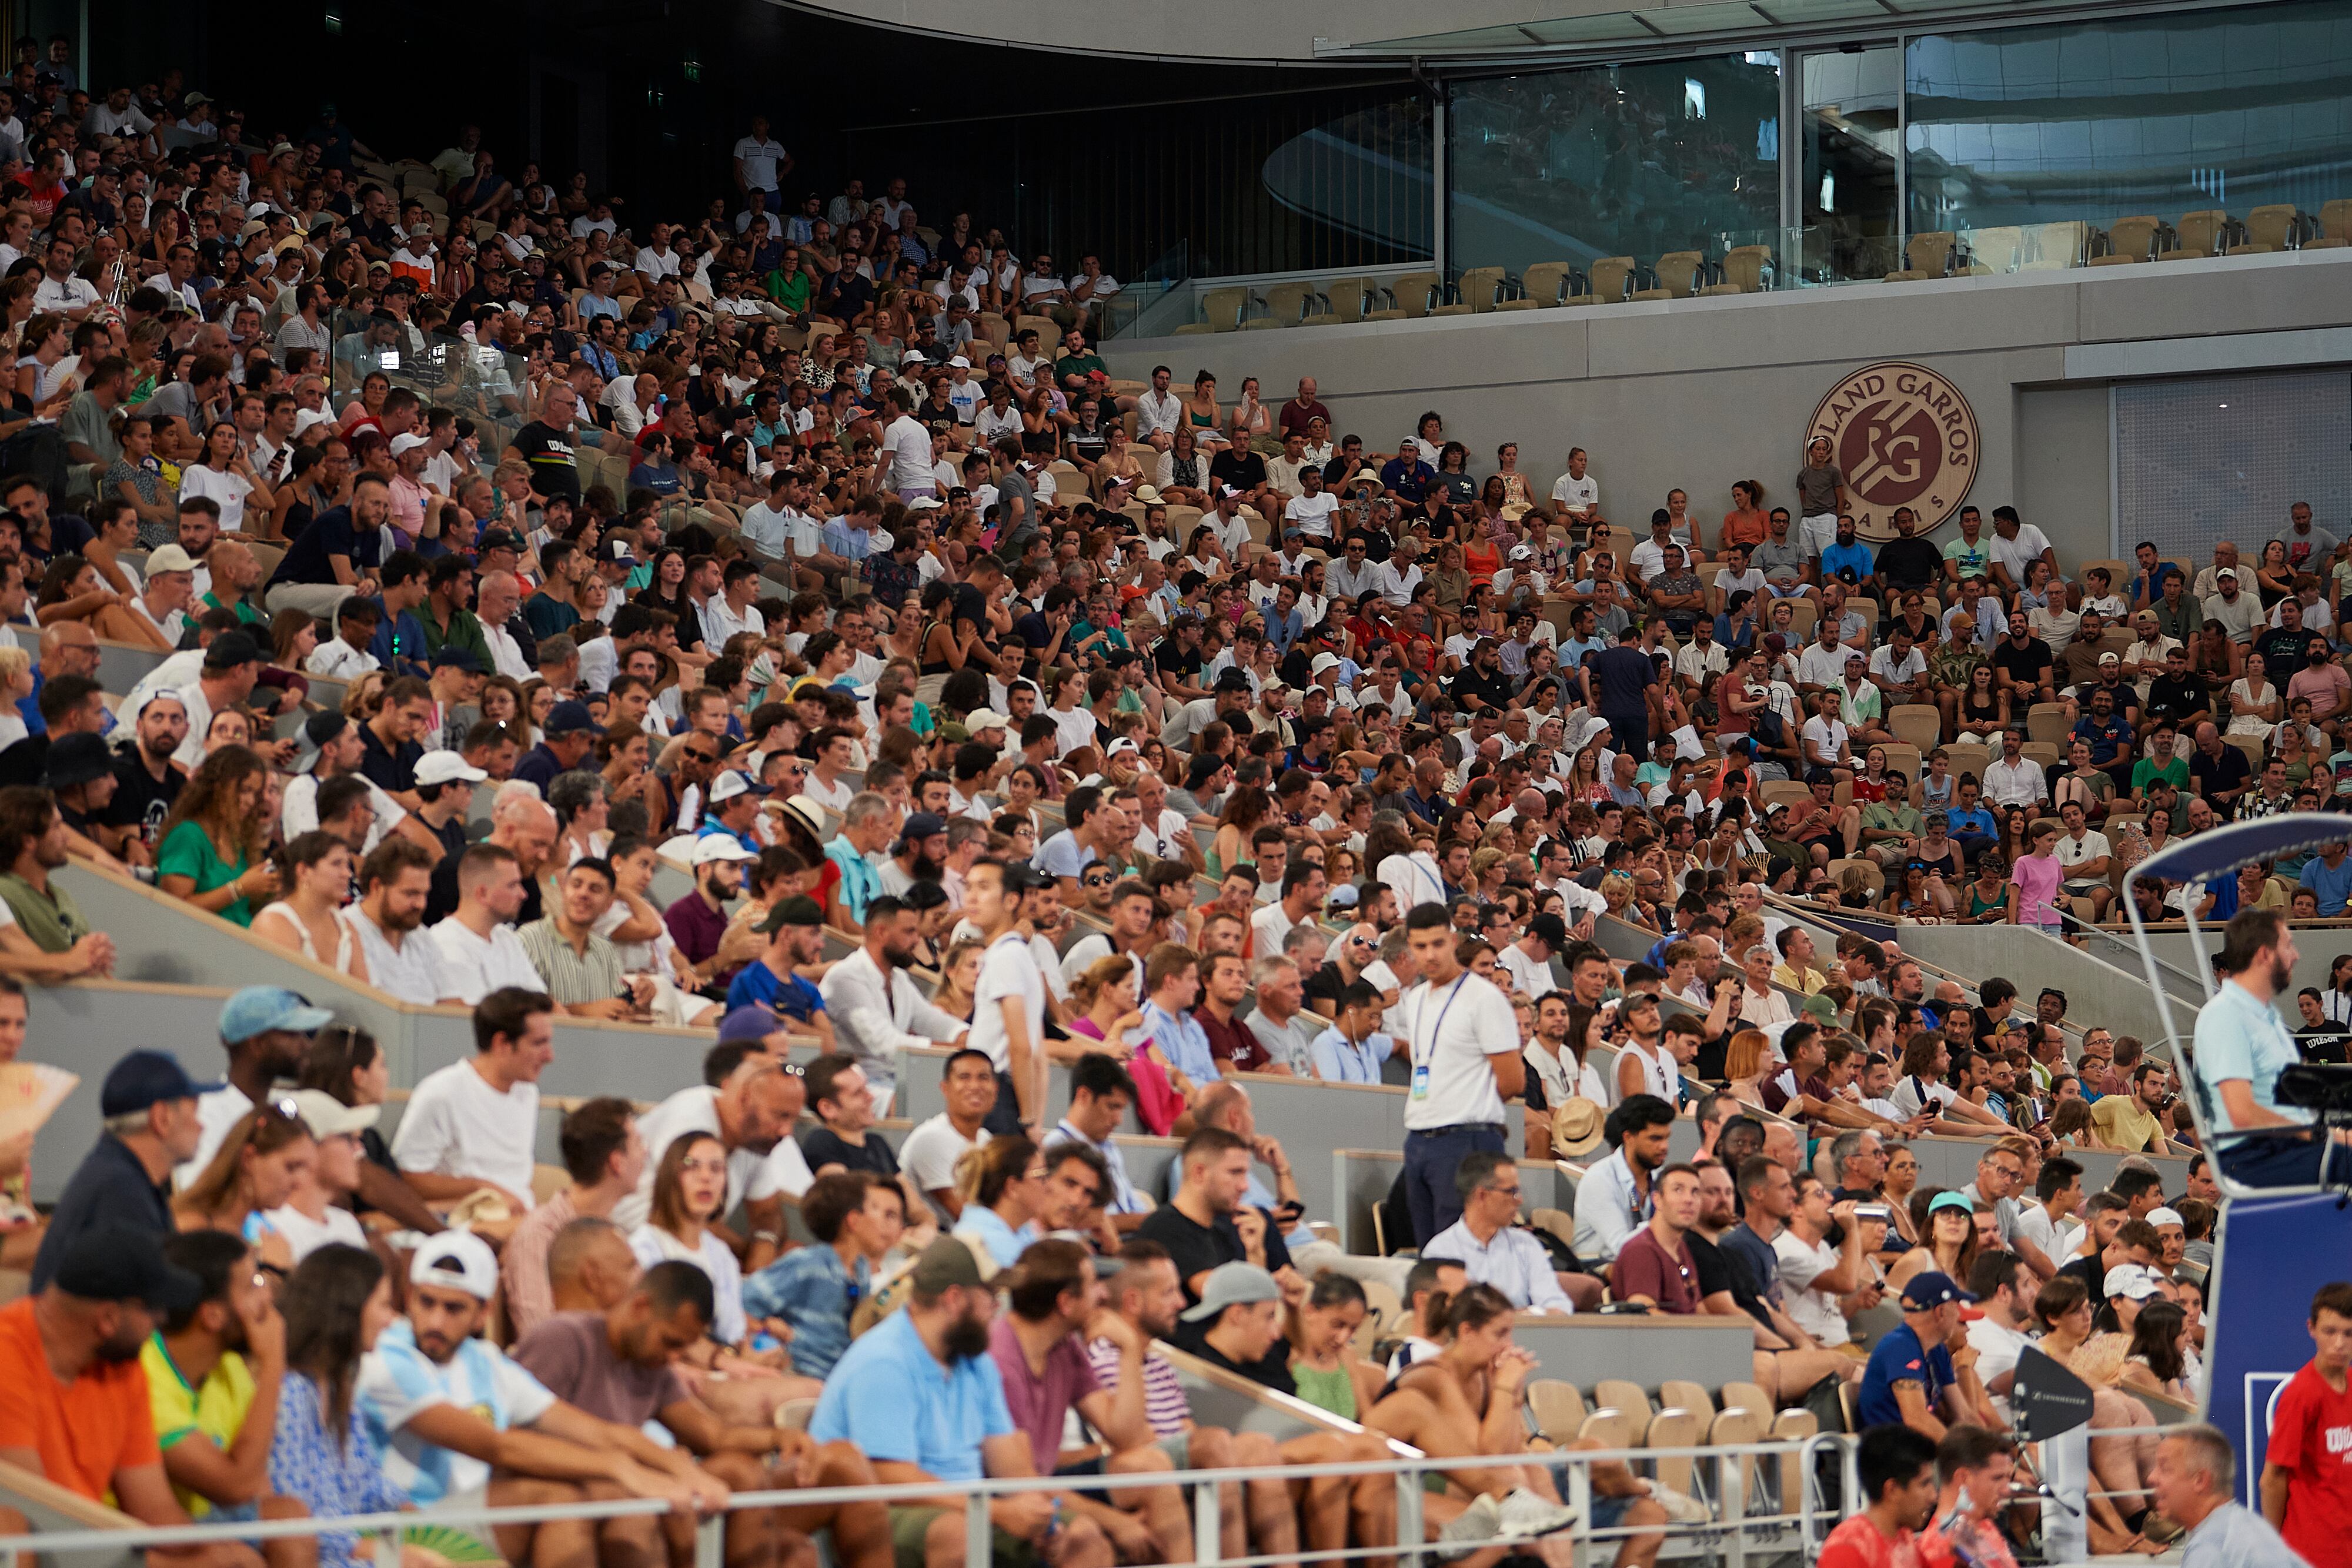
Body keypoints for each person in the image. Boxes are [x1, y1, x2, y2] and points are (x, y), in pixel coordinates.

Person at [356, 1232, 720, 1566]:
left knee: (620, 1498)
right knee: (562, 1499)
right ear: (408, 1299)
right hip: (399, 1524)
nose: (435, 1321)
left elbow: (603, 1433)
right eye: (426, 1302)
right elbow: (499, 1448)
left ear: (483, 1314)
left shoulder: (486, 1362)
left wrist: (684, 1473)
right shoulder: (386, 1359)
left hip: (472, 1513)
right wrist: (620, 1467)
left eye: (454, 1309)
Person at [512, 1254, 893, 1568]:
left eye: (684, 1348)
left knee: (762, 1468)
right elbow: (519, 1442)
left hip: (640, 1485)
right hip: (570, 1490)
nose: (676, 1358)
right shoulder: (563, 1337)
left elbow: (713, 1435)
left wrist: (782, 1437)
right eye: (672, 1342)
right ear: (641, 1307)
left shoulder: (655, 1365)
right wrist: (650, 1467)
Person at [809, 1236, 1115, 1568]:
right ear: (954, 1299)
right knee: (958, 1537)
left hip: (966, 1507)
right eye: (991, 1296)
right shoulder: (884, 1361)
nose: (998, 1307)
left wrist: (1039, 1513)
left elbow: (1010, 1466)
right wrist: (999, 1511)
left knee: (1081, 1536)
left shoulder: (976, 1360)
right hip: (876, 1512)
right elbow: (890, 1476)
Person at [142, 1230, 305, 1542]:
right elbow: (235, 1489)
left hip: (204, 1524)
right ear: (213, 1315)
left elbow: (258, 1485)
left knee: (289, 1520)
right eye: (252, 1287)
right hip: (133, 1537)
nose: (267, 1298)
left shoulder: (227, 1366)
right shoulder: (146, 1377)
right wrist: (272, 1365)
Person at [31, 1049, 210, 1292]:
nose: (202, 1126)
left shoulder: (120, 1175)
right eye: (195, 1112)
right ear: (162, 1118)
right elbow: (146, 1302)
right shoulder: (121, 1191)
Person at [1399, 901, 1524, 1244]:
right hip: (1420, 1136)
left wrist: (1469, 1103)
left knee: (1466, 1251)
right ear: (1409, 947)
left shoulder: (1483, 998)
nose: (1430, 955)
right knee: (1431, 1251)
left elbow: (1513, 1080)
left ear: (1453, 941)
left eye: (1438, 944)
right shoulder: (1415, 998)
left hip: (1468, 1138)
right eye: (1421, 946)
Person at [2193, 908, 2340, 1188]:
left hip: (2289, 1146)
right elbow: (2241, 1111)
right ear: (2264, 954)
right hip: (2255, 1156)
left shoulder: (2267, 1015)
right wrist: (2319, 1134)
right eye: (2288, 945)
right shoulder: (2225, 1014)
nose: (2295, 955)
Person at [389, 987, 552, 1216]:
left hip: (521, 1220)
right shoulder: (441, 1092)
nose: (550, 1056)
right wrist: (483, 1189)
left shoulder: (528, 1093)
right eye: (538, 1043)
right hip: (469, 1221)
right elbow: (408, 1176)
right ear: (502, 1043)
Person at [503, 1098, 646, 1342]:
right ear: (617, 1162)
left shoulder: (620, 1236)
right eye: (638, 1144)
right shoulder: (539, 1235)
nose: (646, 1153)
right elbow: (539, 1333)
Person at [820, 894, 971, 1113]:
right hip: (856, 1083)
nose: (916, 941)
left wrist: (966, 1037)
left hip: (897, 1080)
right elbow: (884, 1043)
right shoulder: (845, 977)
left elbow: (930, 1019)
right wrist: (953, 1050)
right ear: (881, 932)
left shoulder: (898, 978)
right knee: (921, 1103)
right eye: (909, 932)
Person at [1136, 1126, 1293, 1302]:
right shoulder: (1165, 1227)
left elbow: (1288, 1290)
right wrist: (1257, 1261)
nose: (1245, 1186)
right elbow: (1222, 1300)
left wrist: (1258, 1254)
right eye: (1235, 1173)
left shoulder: (1238, 1225)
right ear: (1200, 1173)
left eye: (1245, 1174)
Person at [2259, 1281, 2352, 1563]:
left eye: (2348, 1333)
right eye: (2330, 1331)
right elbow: (2272, 1479)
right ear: (2311, 1329)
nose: (2339, 1343)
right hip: (2313, 1551)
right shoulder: (2302, 1394)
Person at [1419, 1149, 1576, 1313]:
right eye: (1512, 1192)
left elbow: (1559, 1305)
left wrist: (1529, 1315)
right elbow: (1443, 1318)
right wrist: (1512, 1317)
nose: (1520, 1201)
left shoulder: (1526, 1244)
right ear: (1482, 1195)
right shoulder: (1440, 1252)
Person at [1857, 1271, 1996, 1439]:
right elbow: (1917, 1419)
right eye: (1957, 1305)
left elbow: (1964, 1415)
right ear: (1941, 1312)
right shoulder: (1900, 1346)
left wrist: (1989, 1450)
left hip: (1915, 1450)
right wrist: (1960, 1455)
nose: (1959, 1314)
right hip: (1892, 1454)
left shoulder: (1936, 1350)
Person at [2156, 1422, 2311, 1568]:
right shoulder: (2242, 1526)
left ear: (2200, 1481)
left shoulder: (2211, 1549)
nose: (2152, 1478)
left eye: (2165, 1469)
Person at [1817, 1424, 1941, 1568]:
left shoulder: (1904, 1538)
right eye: (1924, 1484)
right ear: (1892, 1490)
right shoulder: (1848, 1547)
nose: (1934, 1496)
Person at [1572, 1093, 1675, 1262]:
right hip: (1597, 1267)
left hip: (1647, 1264)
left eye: (1666, 1138)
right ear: (1628, 1138)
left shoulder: (1660, 1176)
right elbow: (1622, 1247)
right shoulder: (1599, 1179)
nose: (1664, 1147)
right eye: (1655, 1139)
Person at [900, 1048, 996, 1221]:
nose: (975, 1086)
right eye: (964, 1077)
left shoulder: (987, 1139)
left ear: (995, 1089)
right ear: (945, 1088)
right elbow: (964, 1214)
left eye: (983, 1078)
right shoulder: (931, 1138)